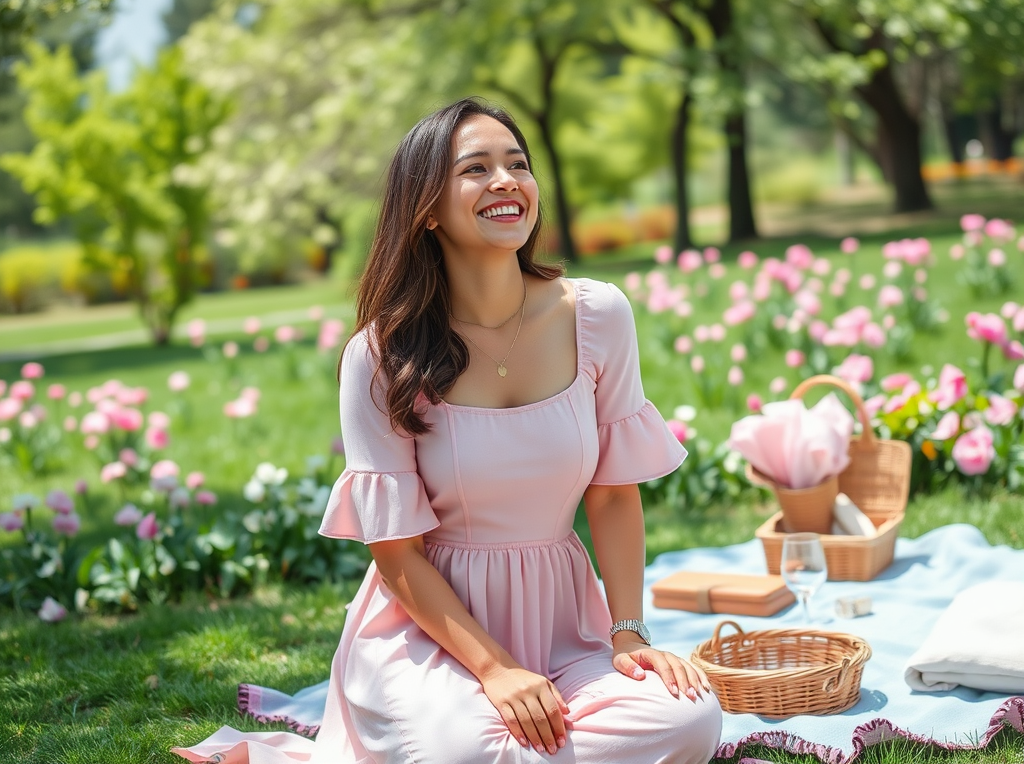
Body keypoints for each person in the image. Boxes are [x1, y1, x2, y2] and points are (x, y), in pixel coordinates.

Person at [174, 98, 722, 764]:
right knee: (466, 752)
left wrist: (629, 634)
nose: (505, 181)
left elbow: (612, 493)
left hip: (564, 624)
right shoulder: (381, 356)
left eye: (517, 164)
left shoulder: (598, 315)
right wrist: (495, 669)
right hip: (427, 632)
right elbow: (397, 555)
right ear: (428, 208)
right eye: (477, 169)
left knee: (689, 718)